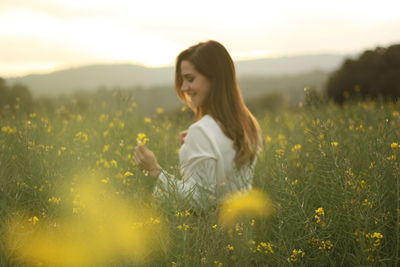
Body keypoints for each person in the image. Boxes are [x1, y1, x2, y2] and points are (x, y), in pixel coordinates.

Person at [134, 40, 262, 210]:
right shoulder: (248, 124)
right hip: (241, 230)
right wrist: (194, 145)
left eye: (190, 79)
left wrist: (155, 171)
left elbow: (200, 201)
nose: (184, 87)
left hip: (211, 234)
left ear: (214, 79)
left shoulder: (202, 131)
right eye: (182, 80)